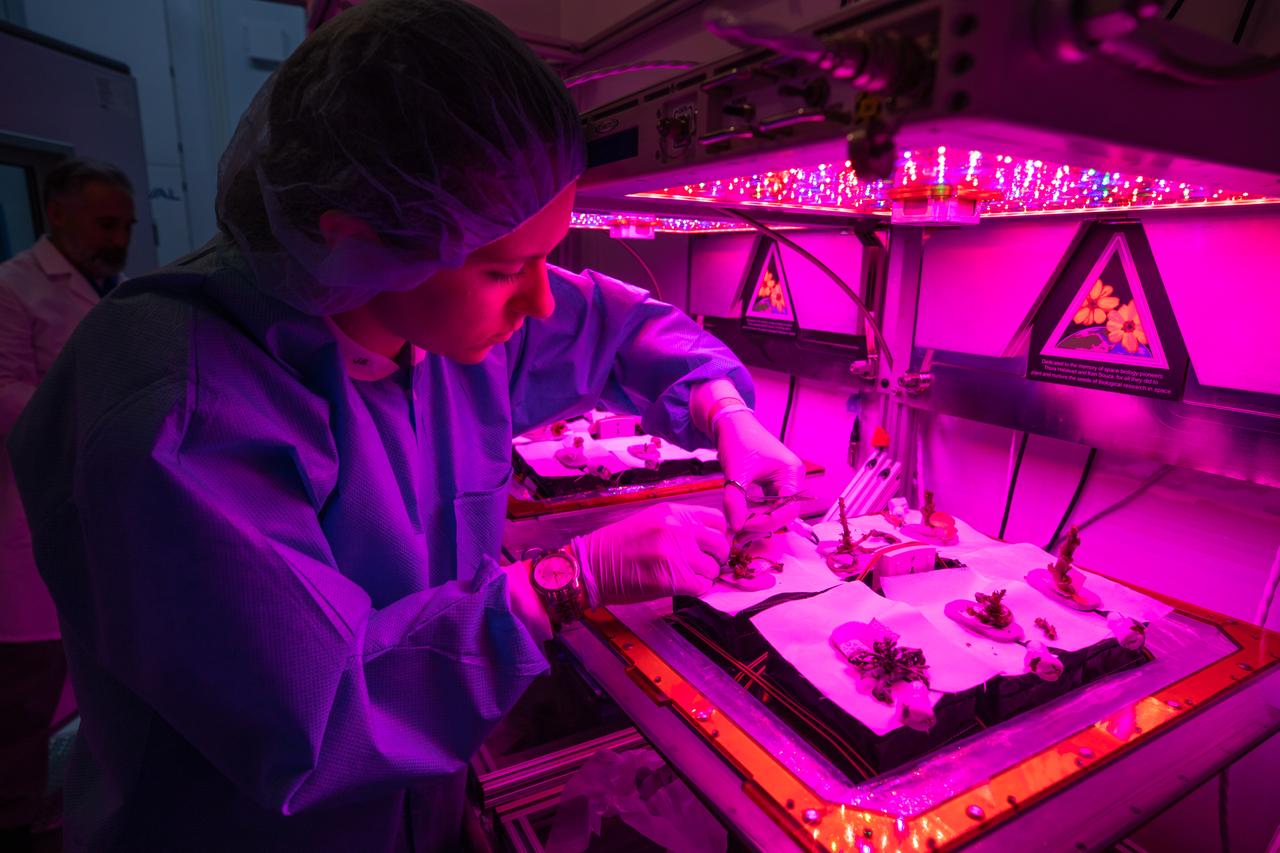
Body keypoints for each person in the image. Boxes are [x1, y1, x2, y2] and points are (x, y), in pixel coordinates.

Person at [7, 2, 801, 850]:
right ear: (355, 238)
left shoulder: (429, 307)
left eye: (547, 257)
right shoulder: (181, 403)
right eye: (507, 268)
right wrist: (562, 582)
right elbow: (315, 719)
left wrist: (726, 411)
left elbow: (621, 326)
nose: (539, 298)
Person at [0, 158, 135, 848]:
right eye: (106, 223)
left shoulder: (115, 290)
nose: (120, 237)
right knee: (25, 708)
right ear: (56, 213)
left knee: (81, 701)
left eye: (127, 225)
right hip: (21, 530)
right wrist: (98, 410)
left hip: (92, 527)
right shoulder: (13, 288)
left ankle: (53, 815)